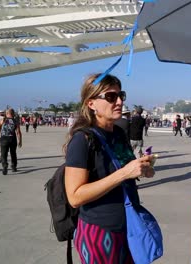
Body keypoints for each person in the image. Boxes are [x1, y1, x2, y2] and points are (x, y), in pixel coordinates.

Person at [63, 73, 155, 263]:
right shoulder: (82, 140)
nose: (120, 101)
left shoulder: (119, 133)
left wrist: (143, 168)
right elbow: (74, 196)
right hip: (100, 231)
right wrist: (123, 173)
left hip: (128, 226)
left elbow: (125, 170)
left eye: (121, 95)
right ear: (91, 104)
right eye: (111, 97)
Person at [0, 108, 22, 175]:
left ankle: (5, 166)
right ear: (13, 113)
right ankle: (13, 167)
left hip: (4, 139)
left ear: (6, 113)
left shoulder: (2, 120)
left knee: (3, 154)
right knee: (13, 153)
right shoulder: (15, 121)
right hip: (12, 139)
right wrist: (20, 141)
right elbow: (18, 132)